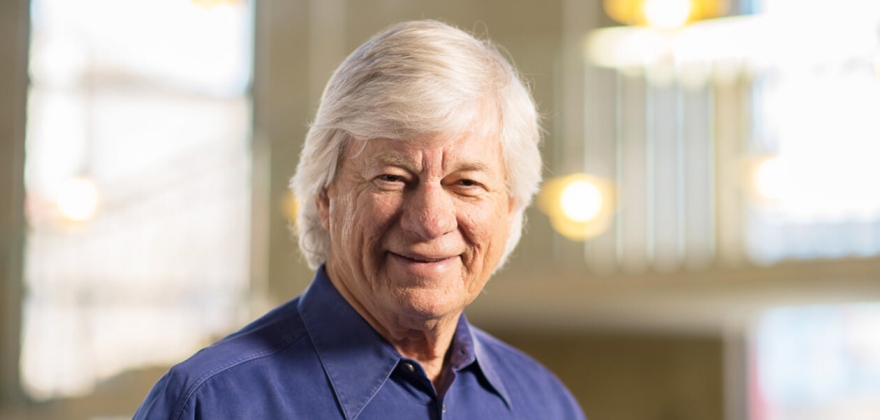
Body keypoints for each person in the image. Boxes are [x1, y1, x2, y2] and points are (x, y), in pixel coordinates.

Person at [134, 20, 587, 420]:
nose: (430, 221)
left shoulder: (547, 405)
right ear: (325, 198)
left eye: (466, 183)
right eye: (392, 177)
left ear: (510, 209)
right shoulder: (209, 405)